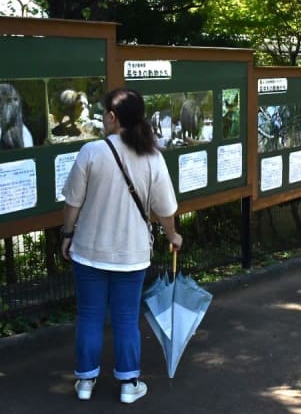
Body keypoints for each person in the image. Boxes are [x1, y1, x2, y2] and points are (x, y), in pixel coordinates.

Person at [60, 88, 182, 404]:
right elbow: (166, 209)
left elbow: (72, 202)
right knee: (126, 318)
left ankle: (85, 383)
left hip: (88, 251)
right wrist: (173, 237)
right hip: (132, 255)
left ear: (113, 118)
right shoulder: (152, 157)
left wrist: (67, 234)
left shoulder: (91, 152)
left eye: (104, 113)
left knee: (89, 315)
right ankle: (129, 384)